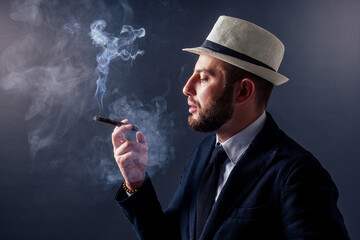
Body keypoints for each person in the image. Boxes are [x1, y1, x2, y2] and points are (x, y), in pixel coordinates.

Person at [111, 16, 350, 239]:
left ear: (243, 91)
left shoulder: (297, 174)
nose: (187, 88)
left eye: (203, 78)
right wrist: (136, 183)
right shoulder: (204, 153)